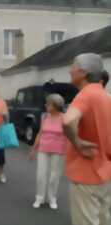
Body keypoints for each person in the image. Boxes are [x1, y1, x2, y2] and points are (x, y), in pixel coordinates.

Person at [63, 53, 111, 225]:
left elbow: (68, 121)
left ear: (83, 73)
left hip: (86, 173)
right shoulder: (106, 96)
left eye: (73, 66)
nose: (70, 70)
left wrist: (77, 142)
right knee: (104, 219)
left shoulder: (85, 94)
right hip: (106, 172)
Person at [29, 94, 66, 210]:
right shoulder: (45, 116)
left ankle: (52, 198)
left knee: (54, 176)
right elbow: (40, 133)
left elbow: (69, 136)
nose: (45, 105)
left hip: (58, 150)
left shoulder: (65, 118)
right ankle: (39, 197)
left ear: (55, 105)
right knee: (40, 175)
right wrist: (33, 149)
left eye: (48, 103)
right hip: (43, 149)